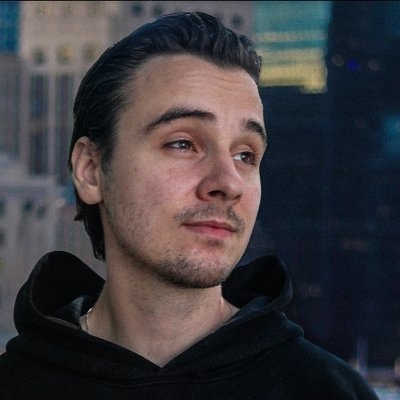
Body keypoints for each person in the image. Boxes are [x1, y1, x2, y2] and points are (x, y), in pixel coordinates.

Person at [0, 12, 378, 399]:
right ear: (91, 170)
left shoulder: (329, 391)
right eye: (182, 143)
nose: (228, 183)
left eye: (246, 155)